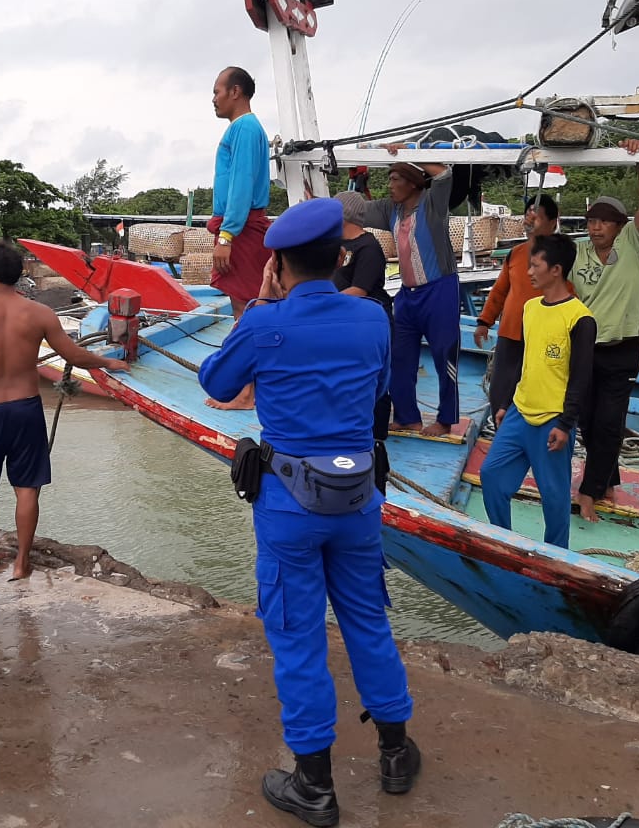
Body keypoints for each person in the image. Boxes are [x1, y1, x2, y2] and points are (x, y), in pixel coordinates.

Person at [199, 199, 419, 827]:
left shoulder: (266, 322)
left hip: (289, 504)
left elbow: (217, 383)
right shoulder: (372, 319)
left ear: (277, 263)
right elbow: (378, 390)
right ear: (340, 256)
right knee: (368, 621)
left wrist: (260, 309)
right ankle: (396, 754)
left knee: (297, 634)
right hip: (359, 499)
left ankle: (314, 786)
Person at [0, 241, 129, 578]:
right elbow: (73, 355)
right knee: (26, 488)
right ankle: (21, 562)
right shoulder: (40, 313)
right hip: (26, 409)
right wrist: (107, 362)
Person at [480, 233, 596, 549]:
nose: (529, 272)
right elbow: (524, 363)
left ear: (555, 269)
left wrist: (566, 423)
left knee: (554, 498)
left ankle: (556, 556)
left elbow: (581, 378)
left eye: (535, 266)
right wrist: (504, 403)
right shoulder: (530, 308)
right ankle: (504, 542)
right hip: (519, 410)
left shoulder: (580, 319)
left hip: (553, 420)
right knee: (491, 476)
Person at [570, 139, 639, 521]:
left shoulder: (633, 242)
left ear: (619, 225)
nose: (595, 227)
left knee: (608, 421)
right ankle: (607, 479)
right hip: (587, 347)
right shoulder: (579, 252)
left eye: (603, 221)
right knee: (588, 421)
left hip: (624, 347)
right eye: (591, 221)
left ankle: (589, 492)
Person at [364, 159, 461, 436]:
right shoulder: (390, 210)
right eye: (390, 179)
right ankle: (408, 416)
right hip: (408, 294)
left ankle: (445, 420)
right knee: (398, 356)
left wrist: (410, 154)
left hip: (439, 290)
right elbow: (357, 211)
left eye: (396, 179)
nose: (390, 186)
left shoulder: (433, 204)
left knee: (445, 355)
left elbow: (443, 174)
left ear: (413, 182)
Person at [206, 65, 272, 411]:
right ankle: (247, 387)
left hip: (242, 229)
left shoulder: (245, 127)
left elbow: (241, 184)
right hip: (242, 227)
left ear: (235, 92)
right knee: (242, 310)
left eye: (217, 91)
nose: (213, 99)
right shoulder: (244, 129)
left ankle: (248, 393)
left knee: (246, 311)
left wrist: (227, 236)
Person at [474, 195, 561, 414]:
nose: (529, 222)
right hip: (510, 333)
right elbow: (500, 291)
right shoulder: (515, 253)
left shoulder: (563, 256)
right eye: (527, 216)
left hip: (544, 337)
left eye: (537, 218)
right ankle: (503, 439)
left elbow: (571, 294)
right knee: (501, 392)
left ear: (553, 222)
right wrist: (484, 321)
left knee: (535, 395)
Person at [332, 189, 393, 442]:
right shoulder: (336, 245)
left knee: (372, 379)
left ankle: (376, 437)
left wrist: (322, 302)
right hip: (344, 322)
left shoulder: (368, 247)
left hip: (369, 322)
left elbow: (361, 289)